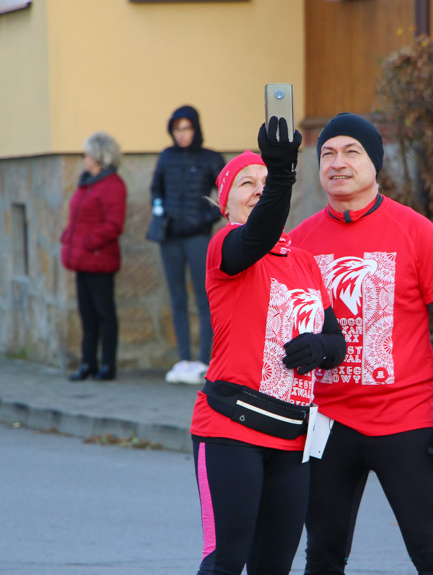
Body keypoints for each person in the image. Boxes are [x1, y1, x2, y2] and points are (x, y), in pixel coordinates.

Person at [288, 113, 433, 575]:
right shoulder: (299, 242)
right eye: (327, 153)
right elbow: (281, 333)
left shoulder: (417, 232)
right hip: (327, 426)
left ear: (375, 162)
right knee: (323, 557)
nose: (337, 162)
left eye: (351, 151)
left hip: (406, 423)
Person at [189, 118, 346, 575]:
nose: (257, 188)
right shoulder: (226, 248)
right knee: (226, 561)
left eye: (265, 180)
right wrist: (281, 176)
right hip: (229, 430)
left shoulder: (305, 262)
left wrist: (319, 347)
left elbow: (336, 342)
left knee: (273, 566)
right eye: (246, 183)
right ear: (226, 204)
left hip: (292, 437)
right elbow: (258, 234)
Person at [149, 105, 225, 385]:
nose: (181, 135)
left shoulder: (210, 158)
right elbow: (156, 187)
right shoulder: (167, 157)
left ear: (195, 129)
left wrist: (207, 218)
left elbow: (226, 191)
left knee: (205, 298)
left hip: (198, 237)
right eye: (177, 129)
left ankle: (204, 360)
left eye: (186, 128)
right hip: (170, 236)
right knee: (177, 297)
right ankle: (183, 358)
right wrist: (159, 209)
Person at [60, 132, 127, 381]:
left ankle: (107, 366)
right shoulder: (88, 182)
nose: (84, 158)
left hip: (99, 260)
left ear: (99, 155)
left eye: (86, 154)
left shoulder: (112, 185)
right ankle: (88, 363)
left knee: (104, 315)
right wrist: (69, 237)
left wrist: (87, 242)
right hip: (83, 260)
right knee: (87, 315)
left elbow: (113, 224)